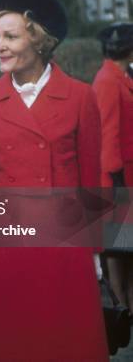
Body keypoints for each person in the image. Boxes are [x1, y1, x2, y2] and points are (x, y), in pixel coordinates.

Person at [0, 0, 108, 361]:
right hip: (5, 248)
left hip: (63, 249)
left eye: (10, 36)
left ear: (39, 41)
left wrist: (94, 252)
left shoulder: (80, 96)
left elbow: (92, 179)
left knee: (63, 345)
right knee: (9, 345)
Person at [93, 22, 133, 309]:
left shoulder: (121, 76)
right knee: (118, 251)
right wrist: (118, 186)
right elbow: (107, 135)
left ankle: (126, 307)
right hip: (117, 179)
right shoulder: (108, 81)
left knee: (124, 250)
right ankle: (122, 311)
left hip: (125, 176)